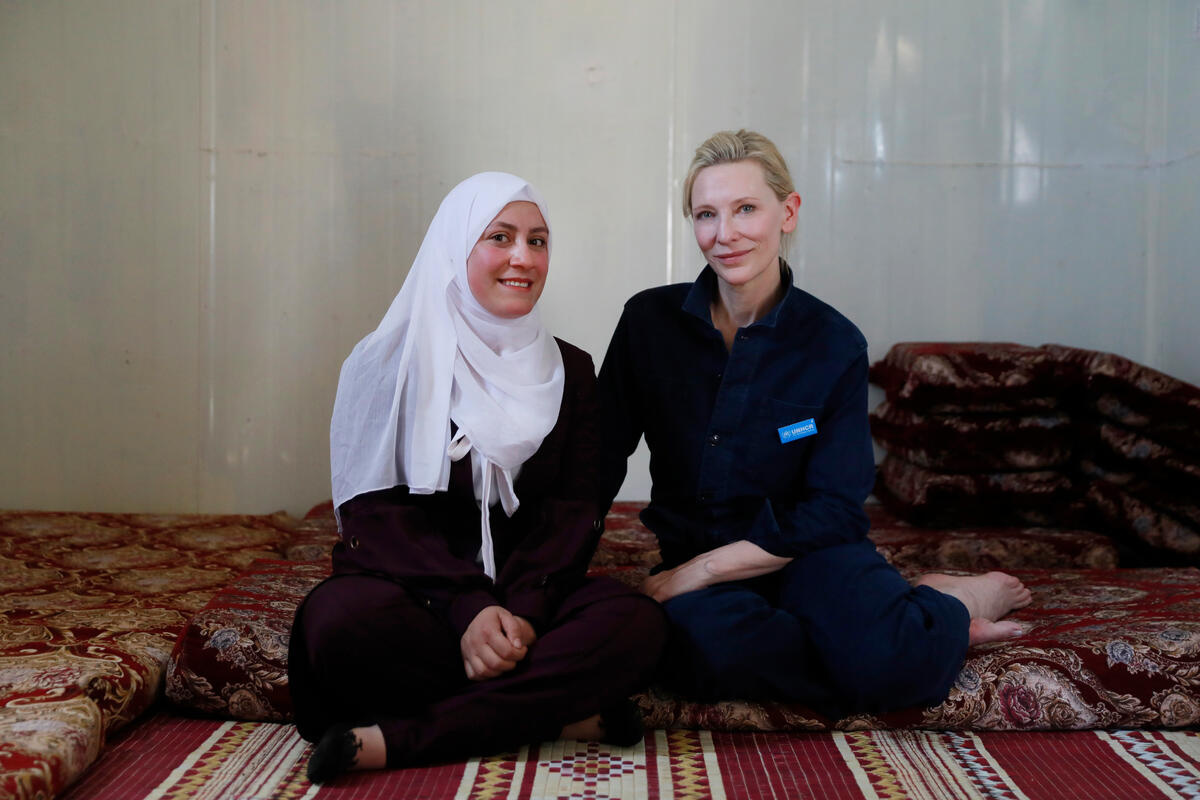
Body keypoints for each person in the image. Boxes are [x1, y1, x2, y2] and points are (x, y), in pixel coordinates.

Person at [597, 131, 1030, 718]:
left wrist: (694, 573)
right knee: (702, 656)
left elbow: (836, 510)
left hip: (814, 555)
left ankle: (950, 602)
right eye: (706, 214)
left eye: (745, 208)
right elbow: (597, 457)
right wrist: (550, 579)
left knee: (885, 664)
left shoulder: (834, 344)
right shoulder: (649, 322)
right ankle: (902, 632)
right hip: (702, 555)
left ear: (788, 212)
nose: (725, 233)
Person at [290, 172, 666, 784]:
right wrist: (467, 609)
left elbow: (574, 511)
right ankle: (555, 714)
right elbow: (372, 517)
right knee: (338, 624)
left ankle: (400, 740)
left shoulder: (571, 369)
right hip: (416, 594)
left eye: (538, 241)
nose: (524, 257)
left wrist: (522, 614)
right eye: (500, 237)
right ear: (455, 247)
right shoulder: (389, 360)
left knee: (635, 624)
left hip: (529, 598)